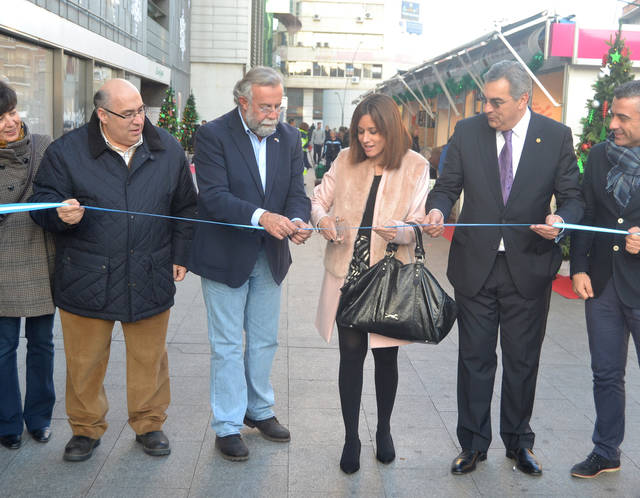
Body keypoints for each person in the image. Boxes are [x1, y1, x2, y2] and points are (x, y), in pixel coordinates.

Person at [424, 60, 583, 476]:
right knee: (474, 359)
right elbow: (445, 188)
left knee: (522, 360)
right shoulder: (467, 132)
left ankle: (519, 443)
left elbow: (572, 197)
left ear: (523, 100)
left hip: (529, 267)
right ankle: (473, 444)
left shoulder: (555, 137)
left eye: (496, 102)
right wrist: (438, 211)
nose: (487, 109)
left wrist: (560, 222)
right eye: (484, 100)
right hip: (475, 266)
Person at [30, 79, 197, 462]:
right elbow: (39, 203)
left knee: (150, 359)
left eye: (140, 110)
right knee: (84, 361)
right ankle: (86, 429)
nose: (139, 120)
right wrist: (58, 213)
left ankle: (149, 423)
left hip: (150, 269)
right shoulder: (67, 152)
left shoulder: (166, 148)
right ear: (102, 116)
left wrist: (181, 253)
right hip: (86, 274)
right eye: (128, 114)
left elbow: (187, 207)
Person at [189, 66, 312, 462]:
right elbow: (213, 196)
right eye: (264, 107)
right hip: (225, 254)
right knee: (226, 345)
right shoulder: (212, 135)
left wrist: (295, 220)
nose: (272, 114)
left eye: (277, 106)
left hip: (270, 255)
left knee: (264, 340)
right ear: (242, 102)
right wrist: (262, 216)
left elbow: (297, 191)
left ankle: (258, 410)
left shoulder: (289, 138)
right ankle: (227, 424)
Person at [311, 93, 430, 474]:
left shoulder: (415, 166)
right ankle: (351, 437)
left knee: (386, 358)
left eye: (374, 131)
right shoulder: (345, 160)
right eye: (360, 131)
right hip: (348, 275)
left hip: (389, 277)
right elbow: (318, 200)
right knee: (350, 358)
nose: (365, 138)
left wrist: (401, 232)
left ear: (390, 130)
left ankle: (383, 429)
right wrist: (323, 220)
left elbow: (419, 222)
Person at [570, 80, 640, 479]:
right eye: (611, 114)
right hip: (602, 283)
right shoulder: (598, 156)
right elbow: (589, 214)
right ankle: (606, 451)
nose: (612, 123)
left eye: (622, 117)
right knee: (606, 373)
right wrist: (578, 265)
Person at [0, 81, 55, 450]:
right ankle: (7, 423)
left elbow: (62, 189)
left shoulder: (43, 146)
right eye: (0, 117)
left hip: (40, 255)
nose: (9, 121)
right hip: (3, 261)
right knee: (3, 348)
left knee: (42, 343)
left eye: (12, 111)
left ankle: (39, 418)